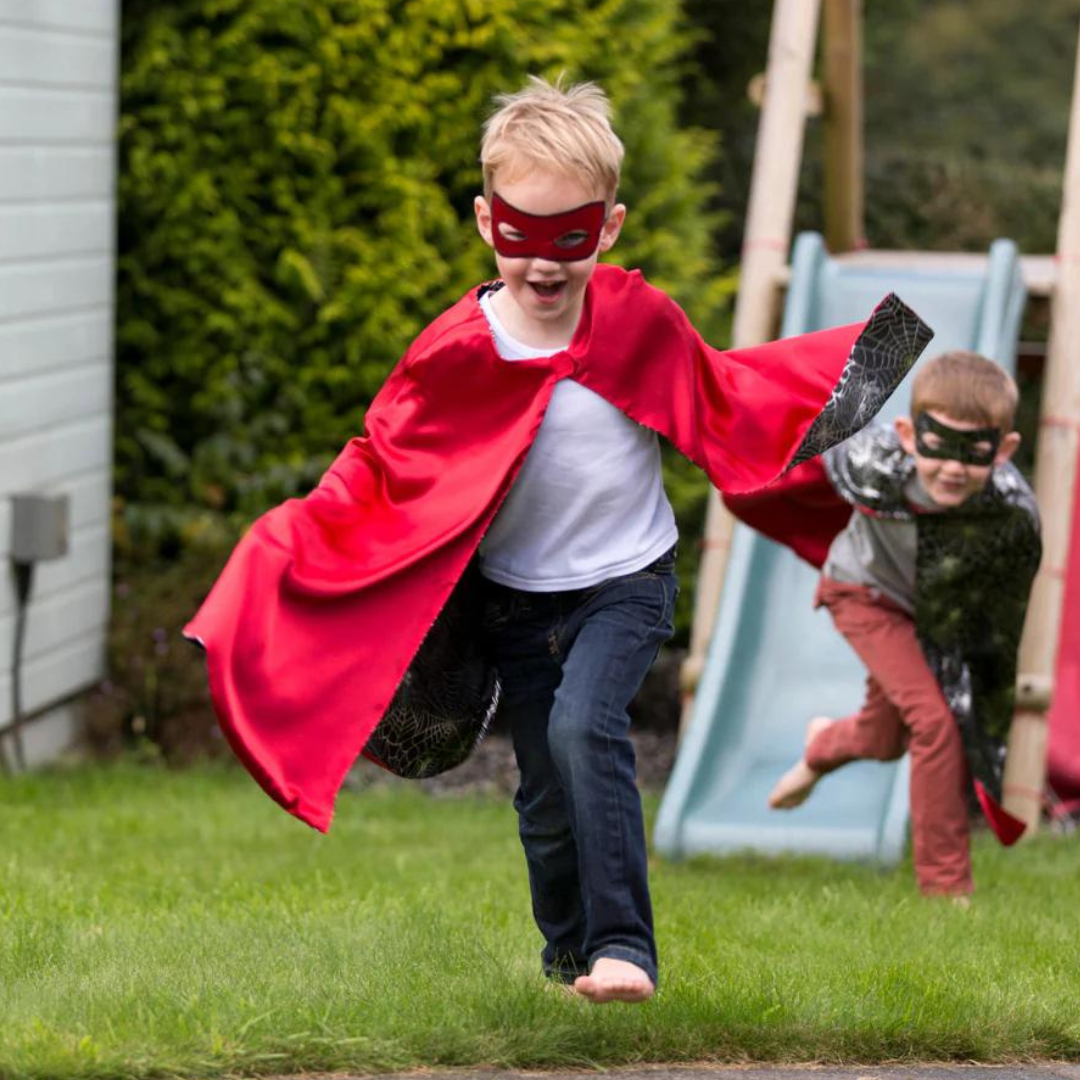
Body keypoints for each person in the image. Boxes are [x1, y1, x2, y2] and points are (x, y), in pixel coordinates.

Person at [185, 76, 930, 1003]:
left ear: (609, 227)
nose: (543, 265)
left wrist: (863, 372)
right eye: (520, 235)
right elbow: (383, 469)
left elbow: (728, 403)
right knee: (542, 799)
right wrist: (286, 553)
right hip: (512, 601)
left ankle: (627, 950)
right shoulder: (456, 349)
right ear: (484, 221)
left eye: (568, 239)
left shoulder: (637, 321)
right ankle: (571, 965)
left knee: (587, 730)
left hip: (624, 582)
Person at [764, 350, 1041, 899]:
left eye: (975, 453)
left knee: (887, 736)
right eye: (940, 446)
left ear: (1005, 451)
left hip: (931, 612)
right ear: (910, 435)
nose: (955, 468)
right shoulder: (873, 461)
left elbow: (995, 625)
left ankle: (824, 744)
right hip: (861, 591)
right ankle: (946, 890)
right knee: (936, 724)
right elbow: (812, 420)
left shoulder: (1011, 516)